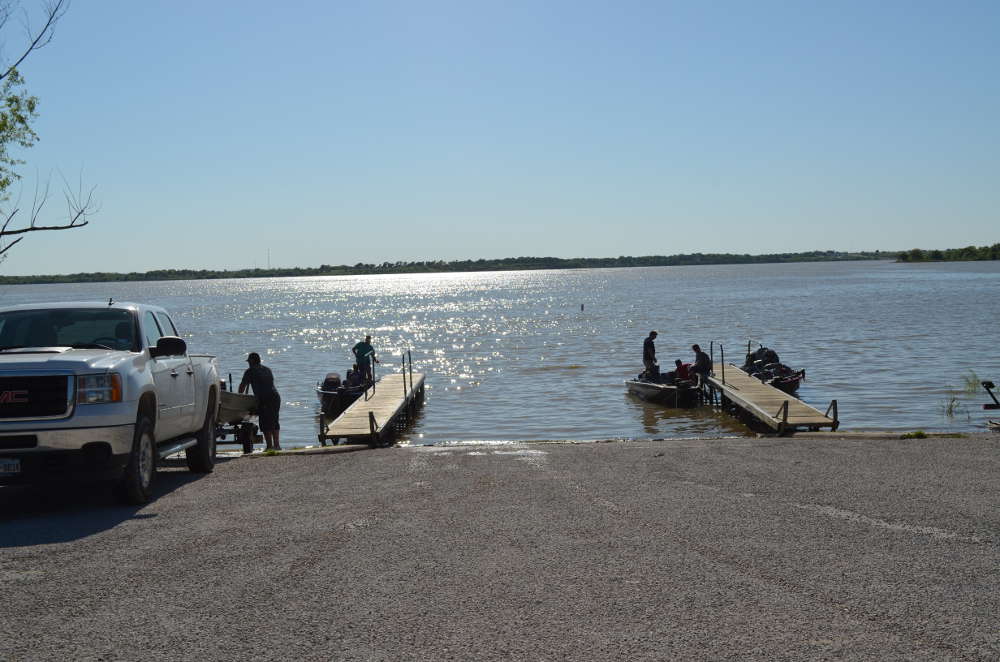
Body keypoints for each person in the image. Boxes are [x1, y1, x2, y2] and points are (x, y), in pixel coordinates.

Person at [239, 352, 281, 451]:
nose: (248, 363)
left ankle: (270, 447)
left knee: (265, 422)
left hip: (264, 398)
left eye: (249, 361)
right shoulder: (267, 369)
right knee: (274, 421)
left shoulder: (250, 371)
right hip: (275, 397)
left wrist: (240, 399)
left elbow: (242, 387)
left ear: (252, 361)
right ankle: (277, 446)